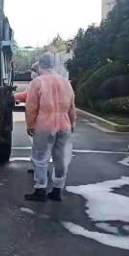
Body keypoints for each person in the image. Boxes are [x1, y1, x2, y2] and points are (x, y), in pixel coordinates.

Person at [24, 53, 76, 203]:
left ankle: (40, 189)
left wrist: (30, 124)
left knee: (40, 157)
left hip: (44, 124)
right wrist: (72, 123)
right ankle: (57, 190)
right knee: (60, 158)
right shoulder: (65, 82)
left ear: (40, 65)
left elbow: (31, 107)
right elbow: (72, 106)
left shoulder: (37, 82)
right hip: (64, 124)